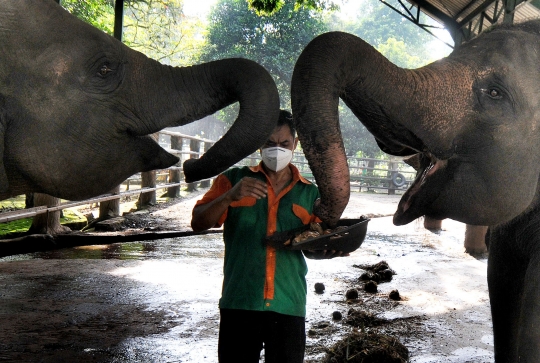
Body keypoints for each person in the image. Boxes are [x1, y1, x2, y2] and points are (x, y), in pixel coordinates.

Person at [191, 110, 346, 363]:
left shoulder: (310, 193)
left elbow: (313, 244)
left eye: (284, 144)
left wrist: (329, 250)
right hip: (240, 302)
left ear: (295, 144)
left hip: (289, 304)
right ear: (260, 145)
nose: (277, 150)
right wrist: (229, 197)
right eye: (270, 144)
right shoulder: (232, 180)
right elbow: (198, 222)